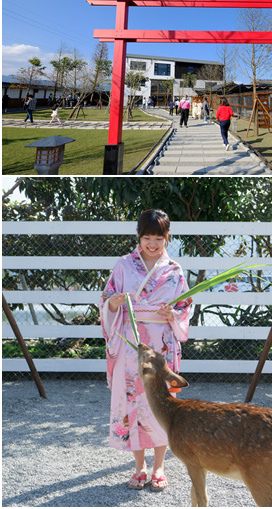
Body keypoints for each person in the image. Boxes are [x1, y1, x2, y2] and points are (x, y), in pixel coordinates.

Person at [99, 209, 192, 490]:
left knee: (162, 405)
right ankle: (139, 467)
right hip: (130, 343)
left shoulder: (174, 271)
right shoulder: (124, 265)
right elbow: (106, 299)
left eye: (158, 239)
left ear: (167, 238)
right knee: (132, 404)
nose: (152, 244)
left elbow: (184, 307)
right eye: (147, 238)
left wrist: (171, 315)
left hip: (161, 344)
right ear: (138, 237)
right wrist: (114, 303)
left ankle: (159, 466)